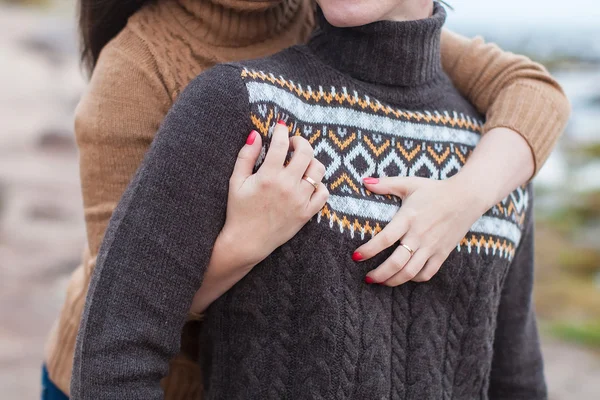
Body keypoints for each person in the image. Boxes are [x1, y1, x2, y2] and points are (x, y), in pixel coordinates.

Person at [43, 0, 571, 399]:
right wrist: (243, 245)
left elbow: (526, 85)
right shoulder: (157, 75)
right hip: (153, 371)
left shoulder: (321, 11)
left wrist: (465, 197)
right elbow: (119, 318)